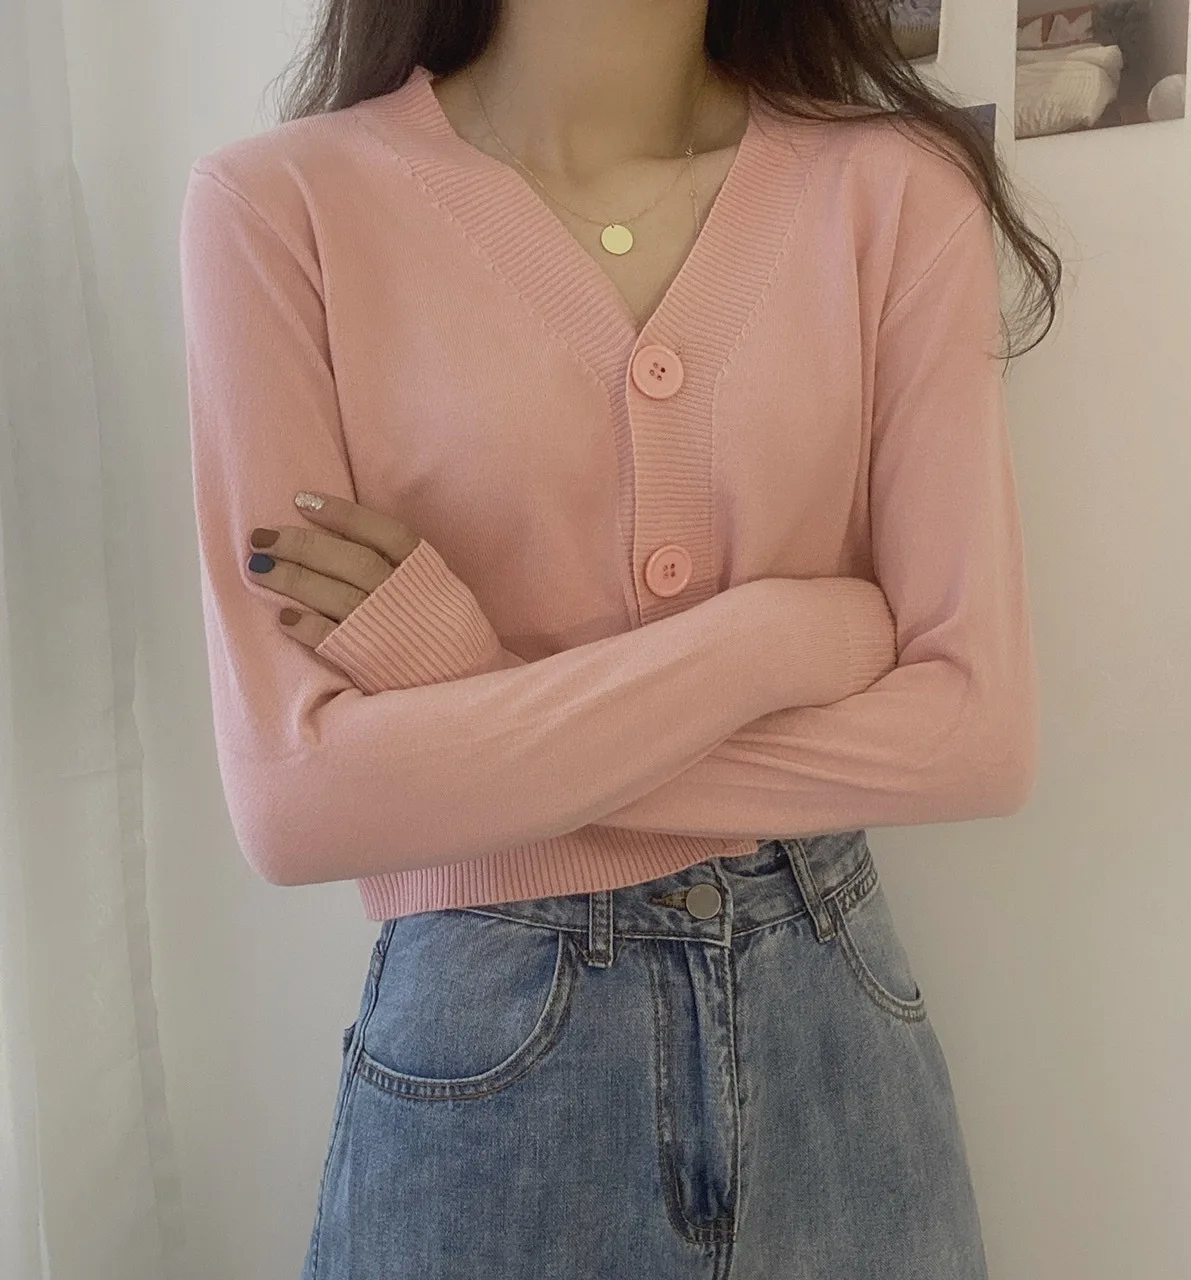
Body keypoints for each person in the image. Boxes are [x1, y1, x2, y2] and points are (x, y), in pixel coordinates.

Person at [178, 2, 1060, 1276]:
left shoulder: (892, 190)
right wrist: (768, 640)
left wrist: (462, 704)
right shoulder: (280, 209)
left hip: (830, 1032)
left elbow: (973, 740)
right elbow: (298, 803)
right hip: (483, 1051)